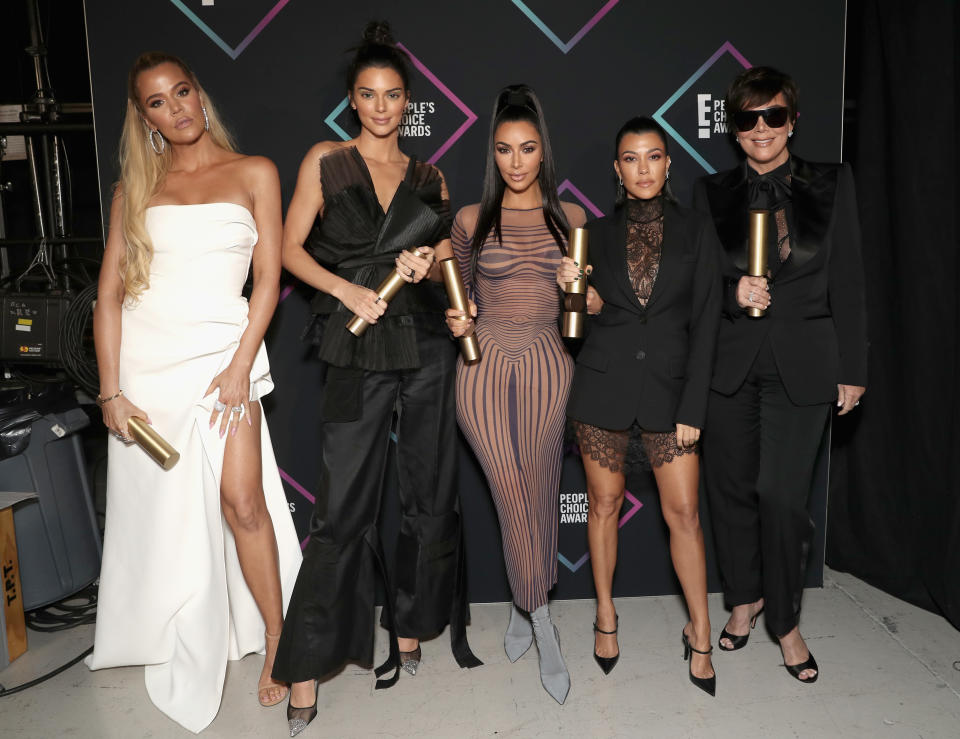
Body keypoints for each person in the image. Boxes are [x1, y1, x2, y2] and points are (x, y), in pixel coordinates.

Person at [270, 21, 480, 737]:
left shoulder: (432, 178)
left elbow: (447, 259)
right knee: (341, 510)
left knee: (427, 496)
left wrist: (442, 284)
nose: (382, 107)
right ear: (353, 101)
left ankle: (413, 626)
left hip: (424, 348)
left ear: (408, 101)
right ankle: (304, 662)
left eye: (393, 95)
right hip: (356, 347)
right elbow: (287, 250)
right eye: (369, 94)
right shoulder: (326, 161)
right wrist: (346, 288)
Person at [87, 51, 302, 733]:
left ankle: (278, 639)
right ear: (143, 116)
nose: (176, 107)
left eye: (182, 91)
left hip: (223, 359)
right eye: (157, 101)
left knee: (244, 501)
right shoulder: (134, 190)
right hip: (151, 369)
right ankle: (182, 615)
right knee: (172, 518)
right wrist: (111, 390)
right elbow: (110, 297)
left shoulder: (255, 172)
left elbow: (267, 280)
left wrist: (242, 362)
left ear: (198, 95)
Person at [693, 66, 867, 683]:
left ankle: (786, 622)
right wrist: (731, 288)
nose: (761, 128)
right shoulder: (710, 193)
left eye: (773, 115)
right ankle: (743, 601)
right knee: (731, 493)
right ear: (734, 131)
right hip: (731, 365)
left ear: (793, 120)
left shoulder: (833, 182)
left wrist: (854, 367)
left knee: (781, 496)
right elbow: (695, 286)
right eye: (747, 118)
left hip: (806, 363)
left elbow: (848, 277)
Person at [559, 116, 721, 695]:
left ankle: (700, 631)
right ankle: (605, 615)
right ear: (617, 169)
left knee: (684, 515)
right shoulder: (593, 234)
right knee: (602, 507)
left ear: (669, 163)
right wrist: (577, 293)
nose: (643, 169)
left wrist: (695, 404)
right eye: (631, 158)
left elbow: (706, 325)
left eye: (654, 157)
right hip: (603, 389)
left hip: (674, 394)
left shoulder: (699, 230)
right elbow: (574, 325)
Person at [446, 84, 585, 705]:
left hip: (548, 357)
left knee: (540, 485)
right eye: (504, 149)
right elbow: (460, 300)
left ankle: (527, 605)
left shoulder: (572, 220)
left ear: (542, 152)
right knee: (508, 487)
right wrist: (459, 319)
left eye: (528, 148)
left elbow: (581, 311)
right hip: (483, 364)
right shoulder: (471, 220)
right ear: (493, 154)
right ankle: (539, 613)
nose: (517, 161)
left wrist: (576, 288)